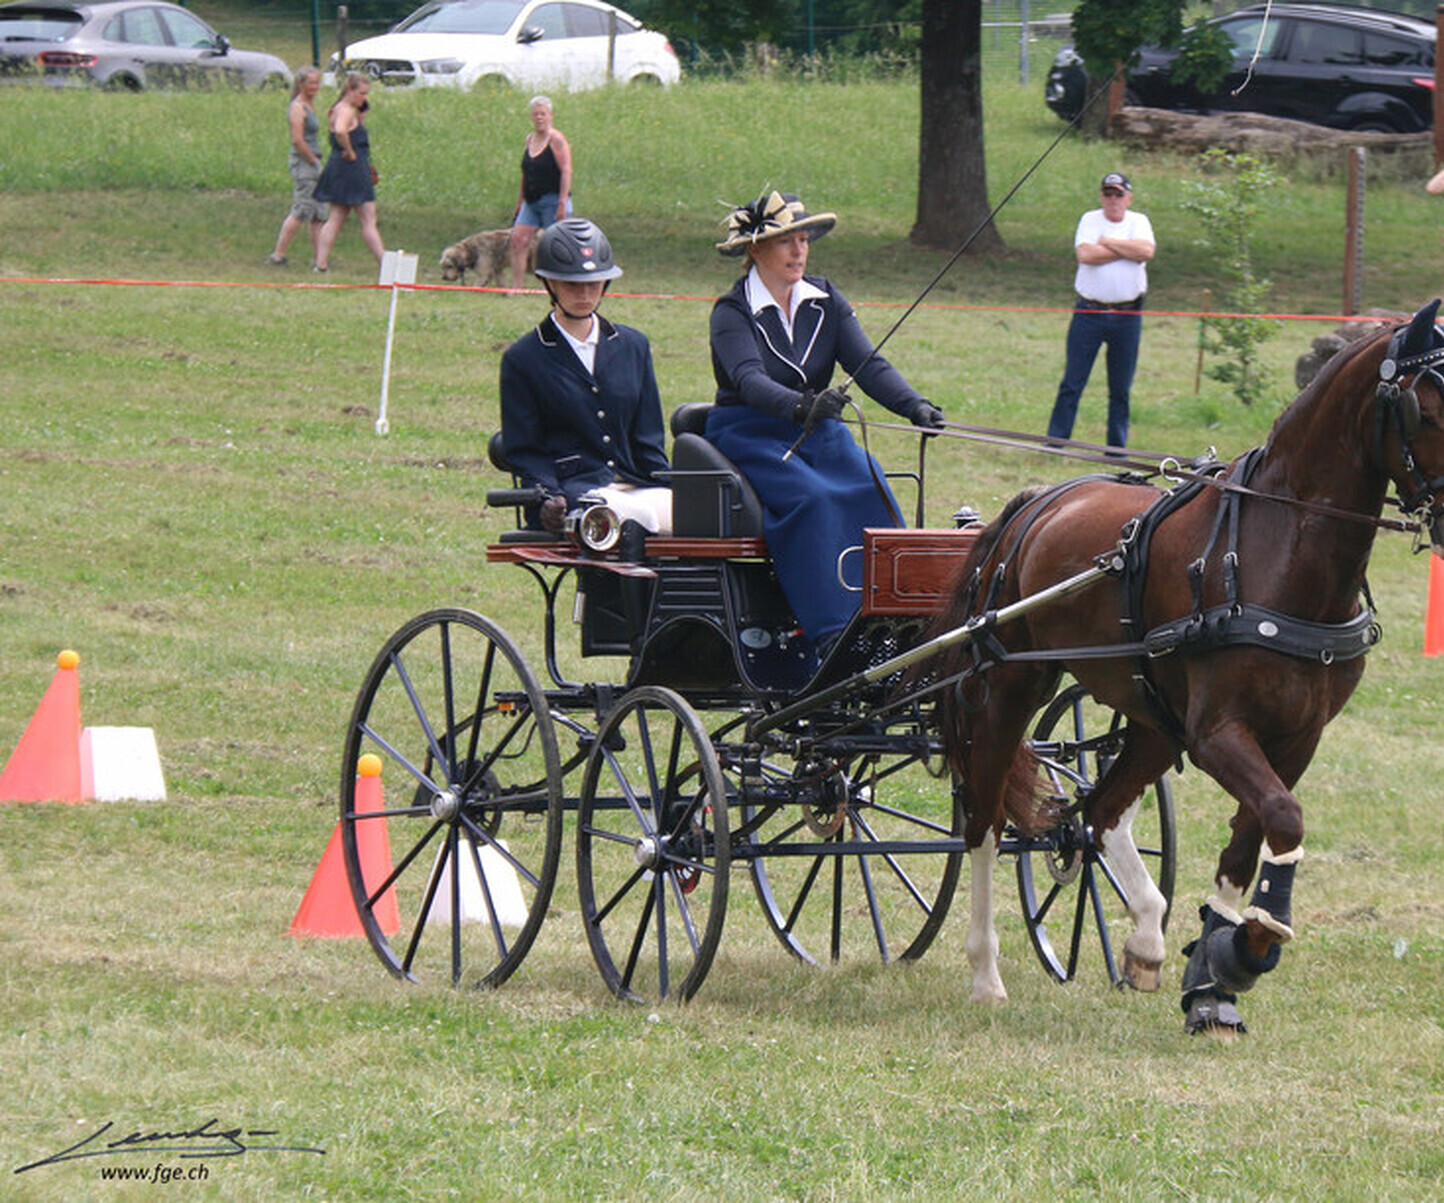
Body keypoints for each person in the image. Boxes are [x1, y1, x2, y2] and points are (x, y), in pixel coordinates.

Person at [707, 190, 944, 657]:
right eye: (785, 242)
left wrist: (914, 405)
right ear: (755, 249)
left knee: (870, 483)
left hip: (816, 431)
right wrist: (801, 407)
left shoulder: (826, 300)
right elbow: (749, 380)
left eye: (804, 239)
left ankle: (894, 621)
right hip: (749, 431)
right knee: (812, 499)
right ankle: (835, 635)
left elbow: (868, 364)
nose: (799, 251)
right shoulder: (731, 312)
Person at [499, 218, 671, 537]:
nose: (585, 293)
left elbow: (649, 441)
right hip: (575, 493)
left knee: (694, 517)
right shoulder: (523, 358)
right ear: (549, 282)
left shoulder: (634, 346)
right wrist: (548, 496)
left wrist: (675, 488)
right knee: (635, 518)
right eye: (573, 284)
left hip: (638, 484)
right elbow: (526, 451)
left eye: (594, 283)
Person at [1046, 171, 1156, 450]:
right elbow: (1085, 255)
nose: (1113, 199)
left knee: (1120, 388)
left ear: (1128, 198)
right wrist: (1125, 251)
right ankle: (1056, 441)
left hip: (1128, 316)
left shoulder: (1139, 221)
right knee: (1073, 381)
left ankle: (1116, 449)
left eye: (1119, 194)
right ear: (1101, 196)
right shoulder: (1089, 219)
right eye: (1108, 193)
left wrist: (1107, 242)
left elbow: (1145, 251)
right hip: (1089, 313)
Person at [312, 73, 384, 273]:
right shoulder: (345, 110)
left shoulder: (341, 108)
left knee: (336, 216)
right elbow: (341, 131)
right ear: (350, 91)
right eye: (361, 93)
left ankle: (321, 263)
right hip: (351, 168)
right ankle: (385, 263)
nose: (364, 98)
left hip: (339, 168)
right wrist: (350, 151)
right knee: (368, 219)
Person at [508, 96, 572, 292]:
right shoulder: (530, 140)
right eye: (536, 114)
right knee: (518, 239)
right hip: (531, 200)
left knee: (554, 244)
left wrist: (562, 202)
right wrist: (519, 202)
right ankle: (517, 287)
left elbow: (566, 170)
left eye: (543, 114)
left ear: (550, 116)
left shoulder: (557, 140)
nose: (539, 118)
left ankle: (559, 287)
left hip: (552, 199)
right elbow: (526, 173)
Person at [268, 66, 328, 268]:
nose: (315, 87)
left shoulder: (310, 105)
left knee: (319, 214)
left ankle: (320, 260)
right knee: (302, 209)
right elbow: (297, 140)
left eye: (317, 82)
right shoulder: (297, 107)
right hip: (304, 162)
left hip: (314, 160)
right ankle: (278, 254)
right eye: (311, 83)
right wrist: (312, 161)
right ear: (301, 83)